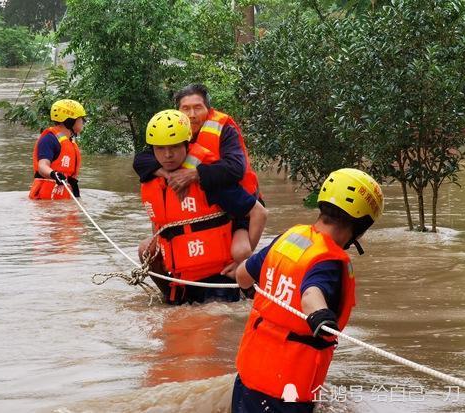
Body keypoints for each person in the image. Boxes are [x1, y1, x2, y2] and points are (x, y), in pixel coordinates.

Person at [231, 168, 384, 413]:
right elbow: (311, 293)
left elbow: (242, 275)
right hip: (285, 394)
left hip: (247, 379)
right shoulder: (329, 261)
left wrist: (252, 293)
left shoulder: (289, 237)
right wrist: (321, 316)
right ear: (362, 224)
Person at [139, 109, 267, 305]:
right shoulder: (153, 177)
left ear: (186, 143)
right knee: (145, 250)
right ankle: (166, 297)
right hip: (180, 278)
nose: (168, 155)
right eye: (160, 149)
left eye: (174, 147)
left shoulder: (207, 178)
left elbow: (259, 212)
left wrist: (242, 265)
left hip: (217, 280)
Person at [134, 83, 262, 262]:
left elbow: (235, 168)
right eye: (185, 109)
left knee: (240, 252)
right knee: (146, 251)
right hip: (193, 210)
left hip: (235, 204)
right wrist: (169, 175)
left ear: (208, 109)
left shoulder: (223, 129)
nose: (192, 115)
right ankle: (170, 287)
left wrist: (194, 174)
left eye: (197, 108)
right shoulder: (171, 131)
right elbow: (141, 161)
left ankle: (244, 275)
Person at [29, 99, 87, 200]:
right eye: (81, 118)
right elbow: (42, 166)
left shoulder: (69, 142)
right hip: (44, 203)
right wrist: (53, 174)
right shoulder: (49, 140)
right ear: (70, 121)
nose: (84, 121)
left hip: (62, 200)